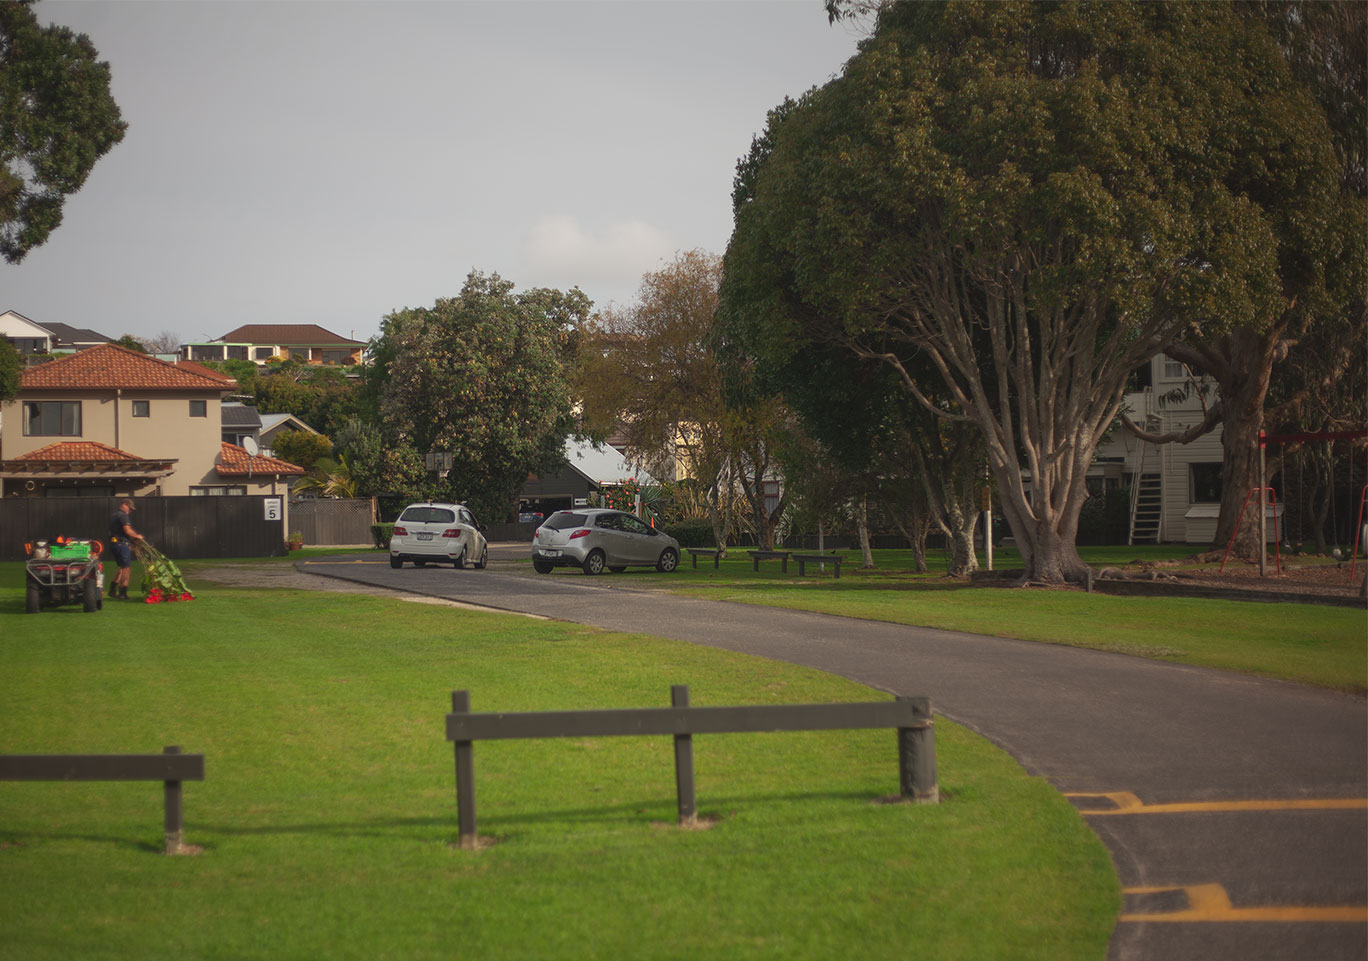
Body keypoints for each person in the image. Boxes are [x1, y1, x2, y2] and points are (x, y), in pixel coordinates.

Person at [107, 498, 143, 600]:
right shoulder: (123, 515)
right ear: (124, 505)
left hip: (114, 543)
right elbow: (127, 530)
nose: (130, 511)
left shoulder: (114, 515)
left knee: (122, 567)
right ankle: (123, 593)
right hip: (121, 544)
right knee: (127, 568)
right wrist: (137, 536)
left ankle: (112, 590)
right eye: (130, 508)